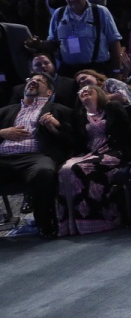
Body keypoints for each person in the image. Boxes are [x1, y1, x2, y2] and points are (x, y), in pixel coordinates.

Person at [55, 82, 131, 235]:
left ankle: (100, 218)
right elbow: (76, 140)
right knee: (63, 170)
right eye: (82, 91)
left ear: (98, 93)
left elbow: (127, 132)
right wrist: (57, 127)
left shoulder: (113, 108)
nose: (84, 91)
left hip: (114, 151)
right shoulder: (79, 115)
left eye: (89, 89)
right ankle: (74, 222)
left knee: (79, 168)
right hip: (89, 153)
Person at [0, 73, 73, 237]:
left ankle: (45, 225)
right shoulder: (5, 111)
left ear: (49, 92)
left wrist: (56, 128)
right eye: (31, 80)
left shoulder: (59, 110)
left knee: (44, 172)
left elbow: (75, 140)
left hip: (35, 158)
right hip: (3, 158)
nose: (33, 81)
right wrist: (2, 132)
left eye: (40, 81)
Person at [47, 0, 126, 78]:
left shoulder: (100, 12)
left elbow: (114, 42)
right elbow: (52, 42)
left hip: (96, 69)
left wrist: (116, 71)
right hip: (68, 71)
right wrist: (38, 44)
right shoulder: (59, 14)